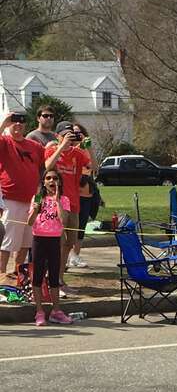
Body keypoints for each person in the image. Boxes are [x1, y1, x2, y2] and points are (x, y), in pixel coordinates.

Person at [44, 121, 91, 295]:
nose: (68, 138)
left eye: (70, 135)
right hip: (57, 203)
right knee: (57, 243)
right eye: (64, 135)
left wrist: (88, 146)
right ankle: (51, 281)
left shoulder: (77, 153)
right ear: (58, 136)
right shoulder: (51, 150)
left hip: (74, 203)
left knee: (69, 243)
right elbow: (47, 166)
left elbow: (93, 167)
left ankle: (59, 280)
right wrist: (61, 146)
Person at [0, 112, 45, 280]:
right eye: (14, 122)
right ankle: (2, 275)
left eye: (21, 122)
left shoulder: (34, 146)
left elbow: (46, 163)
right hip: (10, 198)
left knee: (26, 241)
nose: (18, 125)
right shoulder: (5, 142)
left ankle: (19, 273)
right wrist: (4, 123)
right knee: (7, 240)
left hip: (32, 199)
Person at [26, 169, 73, 326]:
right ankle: (39, 311)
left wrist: (57, 199)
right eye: (48, 178)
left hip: (54, 240)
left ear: (59, 181)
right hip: (39, 240)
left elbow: (64, 221)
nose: (52, 181)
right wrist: (37, 208)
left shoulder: (64, 199)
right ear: (44, 181)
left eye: (55, 178)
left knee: (54, 276)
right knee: (38, 276)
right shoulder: (38, 197)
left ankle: (56, 311)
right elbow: (30, 222)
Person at [68, 122, 95, 269]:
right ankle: (66, 255)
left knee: (81, 226)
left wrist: (88, 145)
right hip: (71, 192)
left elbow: (94, 166)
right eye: (73, 133)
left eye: (79, 132)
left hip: (86, 192)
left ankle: (75, 255)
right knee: (69, 226)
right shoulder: (68, 149)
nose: (76, 135)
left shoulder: (85, 149)